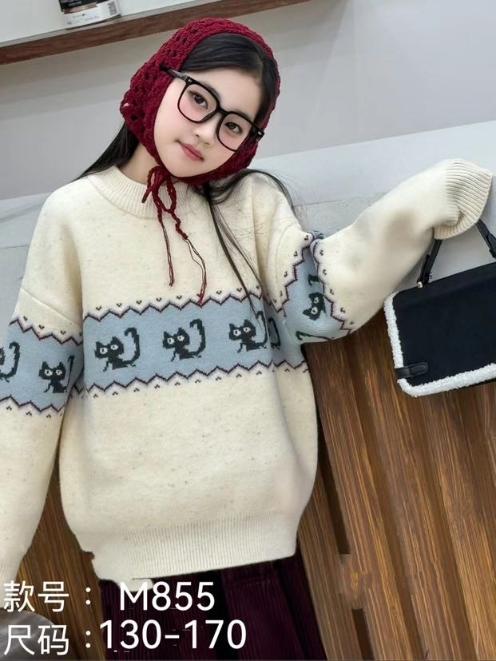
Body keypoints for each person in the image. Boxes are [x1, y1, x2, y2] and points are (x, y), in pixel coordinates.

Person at [0, 14, 492, 661]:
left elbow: (324, 300)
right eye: (198, 100)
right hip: (142, 583)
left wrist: (425, 200)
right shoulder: (73, 217)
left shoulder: (251, 205)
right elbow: (26, 406)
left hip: (262, 562)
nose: (207, 132)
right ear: (158, 81)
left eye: (233, 124)